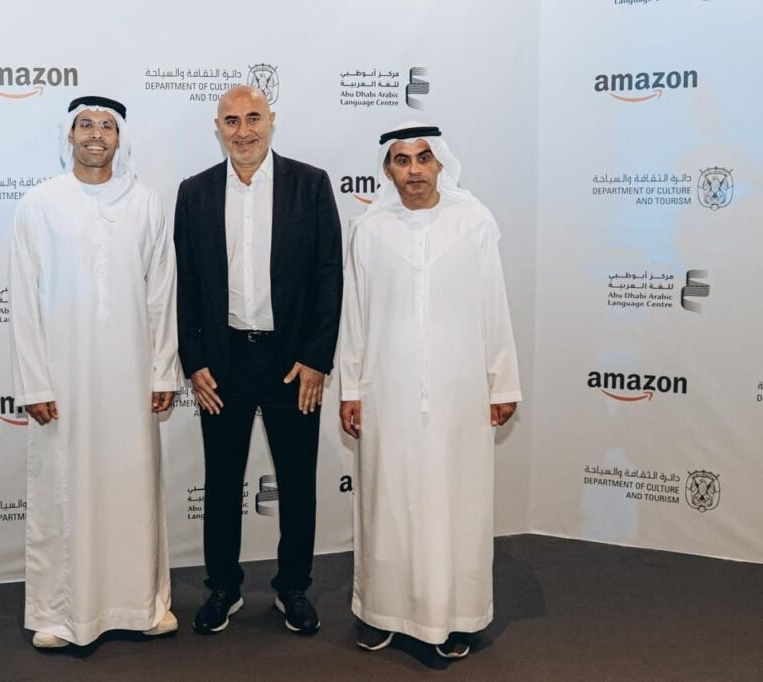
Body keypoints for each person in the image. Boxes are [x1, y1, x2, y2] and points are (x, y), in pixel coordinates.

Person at [339, 122, 521, 659]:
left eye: (423, 158)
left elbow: (495, 304)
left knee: (454, 503)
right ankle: (381, 612)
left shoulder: (474, 222)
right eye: (401, 160)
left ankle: (456, 617)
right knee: (387, 502)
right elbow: (355, 316)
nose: (413, 170)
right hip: (386, 393)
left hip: (460, 391)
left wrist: (501, 381)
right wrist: (352, 387)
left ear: (441, 163)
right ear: (387, 167)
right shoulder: (369, 230)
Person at [9, 95, 180, 648]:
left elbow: (161, 294)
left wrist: (162, 372)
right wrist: (33, 380)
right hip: (64, 379)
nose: (95, 134)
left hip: (130, 378)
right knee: (65, 488)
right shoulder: (39, 203)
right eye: (86, 124)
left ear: (120, 137)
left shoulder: (145, 202)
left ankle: (142, 606)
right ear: (69, 136)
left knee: (132, 487)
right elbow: (24, 302)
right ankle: (61, 615)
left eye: (106, 126)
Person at [174, 85, 342, 635]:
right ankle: (223, 587)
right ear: (216, 127)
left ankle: (293, 588)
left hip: (292, 365)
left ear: (273, 122)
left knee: (297, 482)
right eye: (231, 121)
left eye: (253, 118)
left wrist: (317, 357)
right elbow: (188, 285)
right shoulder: (194, 192)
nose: (242, 131)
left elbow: (327, 277)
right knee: (222, 482)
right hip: (222, 364)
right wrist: (193, 359)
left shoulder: (310, 184)